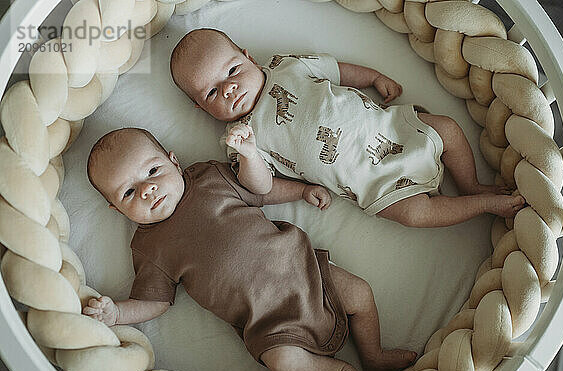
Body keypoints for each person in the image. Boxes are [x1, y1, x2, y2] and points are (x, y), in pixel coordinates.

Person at [83, 127, 417, 371]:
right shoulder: (147, 246)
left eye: (152, 171)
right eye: (128, 193)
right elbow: (153, 301)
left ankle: (373, 355)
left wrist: (293, 187)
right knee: (282, 361)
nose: (147, 190)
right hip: (267, 322)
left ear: (173, 160)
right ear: (116, 209)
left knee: (359, 293)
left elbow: (259, 190)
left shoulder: (209, 177)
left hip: (304, 270)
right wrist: (118, 313)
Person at [169, 28, 525, 227]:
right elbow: (261, 186)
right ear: (202, 108)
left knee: (446, 129)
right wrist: (248, 153)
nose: (228, 88)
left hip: (394, 129)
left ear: (248, 57)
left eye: (231, 71)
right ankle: (481, 204)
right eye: (212, 91)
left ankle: (471, 184)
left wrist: (373, 77)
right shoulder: (242, 139)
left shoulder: (286, 66)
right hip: (370, 185)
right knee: (418, 214)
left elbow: (336, 70)